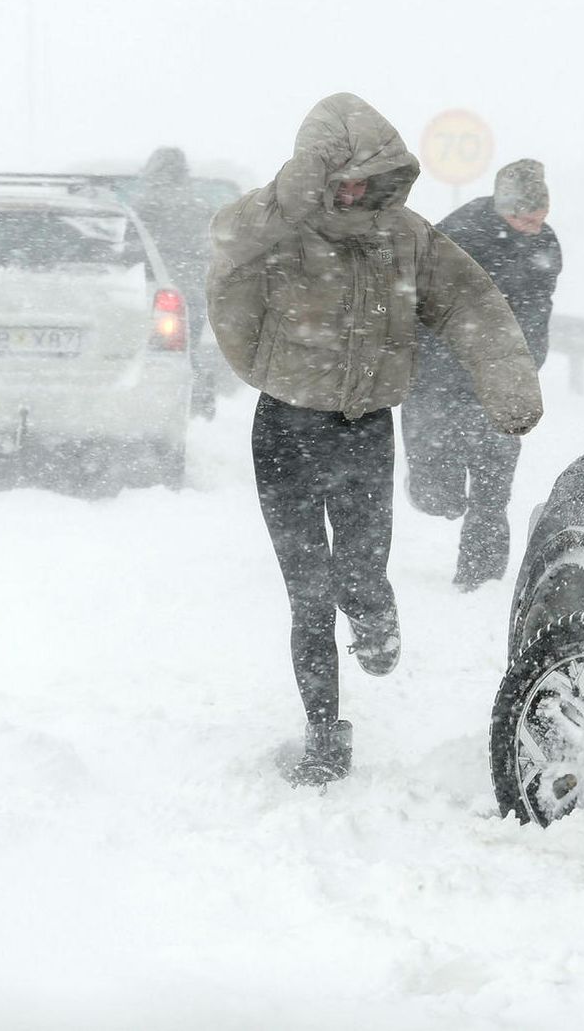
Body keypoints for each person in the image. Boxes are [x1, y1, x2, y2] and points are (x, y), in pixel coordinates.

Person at [208, 93, 543, 786]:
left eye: (368, 177)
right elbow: (228, 238)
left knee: (357, 574)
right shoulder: (277, 226)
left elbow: (471, 301)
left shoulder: (406, 236)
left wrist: (504, 377)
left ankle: (374, 612)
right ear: (315, 176)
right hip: (284, 431)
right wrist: (294, 194)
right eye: (342, 179)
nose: (356, 192)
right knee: (306, 596)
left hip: (364, 432)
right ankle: (325, 733)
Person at [403, 159, 561, 591]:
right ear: (502, 208)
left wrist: (528, 365)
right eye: (524, 217)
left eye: (540, 216)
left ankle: (481, 579)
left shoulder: (546, 243)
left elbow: (537, 313)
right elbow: (416, 304)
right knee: (437, 489)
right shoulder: (458, 235)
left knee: (493, 490)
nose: (534, 225)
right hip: (439, 376)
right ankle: (434, 491)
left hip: (503, 379)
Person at [124, 147, 219, 418]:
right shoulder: (201, 206)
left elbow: (130, 248)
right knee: (187, 349)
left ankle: (153, 408)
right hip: (194, 291)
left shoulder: (142, 205)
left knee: (153, 355)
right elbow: (213, 247)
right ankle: (196, 399)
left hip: (155, 292)